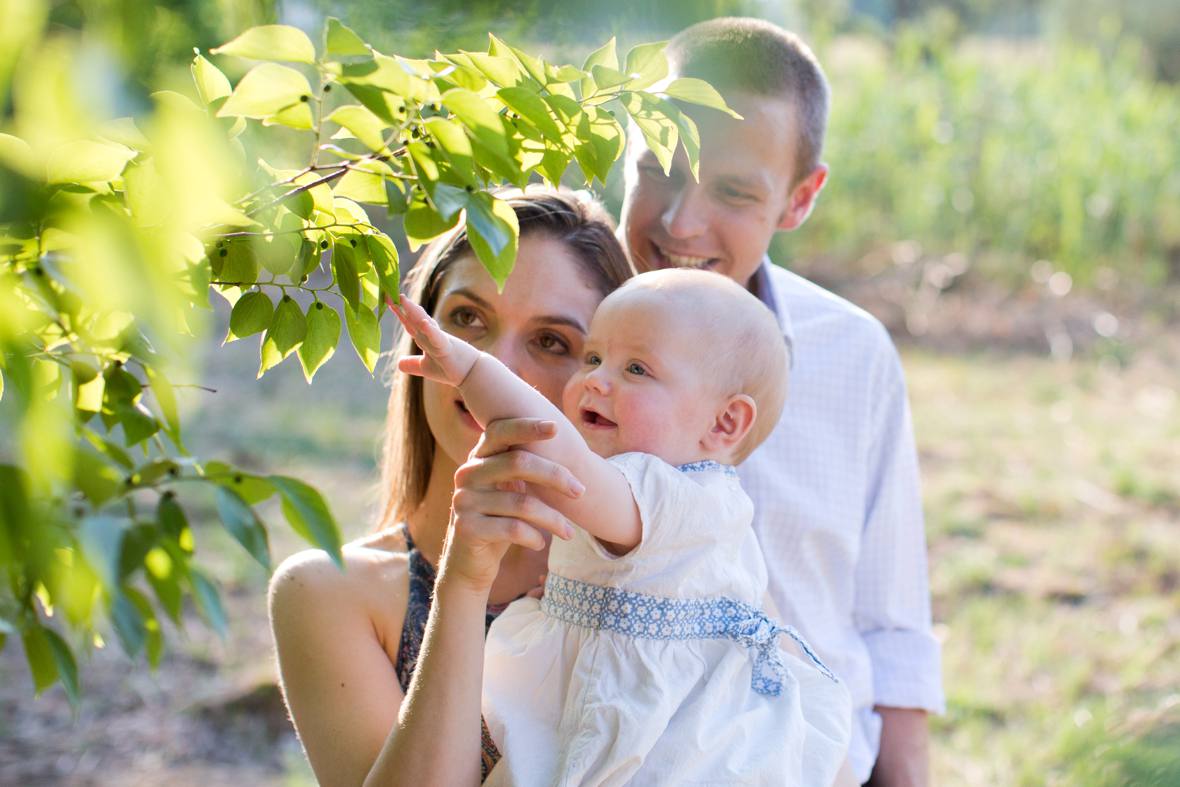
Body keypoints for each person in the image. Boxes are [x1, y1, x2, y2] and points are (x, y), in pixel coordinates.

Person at [470, 17, 945, 785]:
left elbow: (892, 627)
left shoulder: (853, 354)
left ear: (800, 198)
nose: (678, 220)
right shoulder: (557, 331)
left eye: (732, 191)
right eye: (661, 166)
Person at [392, 268, 854, 786]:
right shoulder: (676, 501)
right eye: (593, 357)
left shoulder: (669, 494)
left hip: (649, 743)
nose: (595, 379)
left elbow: (551, 444)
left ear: (724, 423)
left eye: (636, 369)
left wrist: (474, 370)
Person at [268, 188, 634, 786]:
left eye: (551, 342)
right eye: (467, 319)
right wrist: (463, 586)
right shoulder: (329, 593)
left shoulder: (645, 572)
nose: (493, 365)